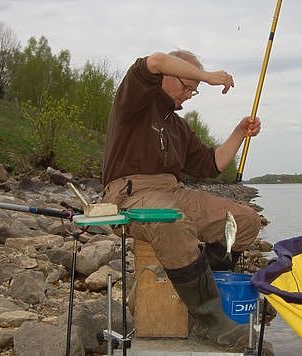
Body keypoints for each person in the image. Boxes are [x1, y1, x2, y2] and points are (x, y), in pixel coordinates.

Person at [101, 50, 263, 352]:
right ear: (166, 77)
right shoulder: (134, 102)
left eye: (194, 90)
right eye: (187, 86)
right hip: (130, 192)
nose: (190, 95)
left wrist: (240, 133)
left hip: (174, 191)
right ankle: (210, 320)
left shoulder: (178, 127)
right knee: (169, 218)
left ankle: (197, 285)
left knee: (246, 222)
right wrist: (209, 76)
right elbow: (156, 60)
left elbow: (211, 164)